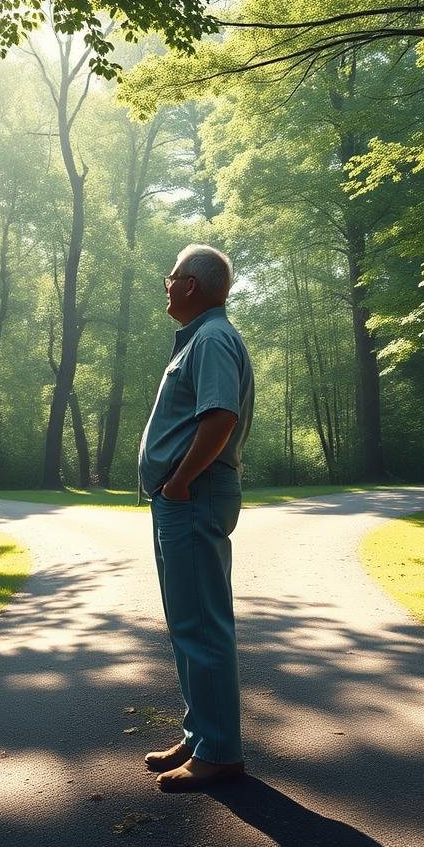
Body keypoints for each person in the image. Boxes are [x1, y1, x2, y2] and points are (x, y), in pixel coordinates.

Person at [138, 243, 255, 792]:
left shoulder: (210, 339)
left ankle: (220, 754)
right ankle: (202, 735)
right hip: (184, 497)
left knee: (202, 624)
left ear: (190, 286)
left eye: (172, 275)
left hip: (193, 495)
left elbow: (220, 418)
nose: (166, 282)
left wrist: (181, 481)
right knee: (189, 624)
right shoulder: (202, 338)